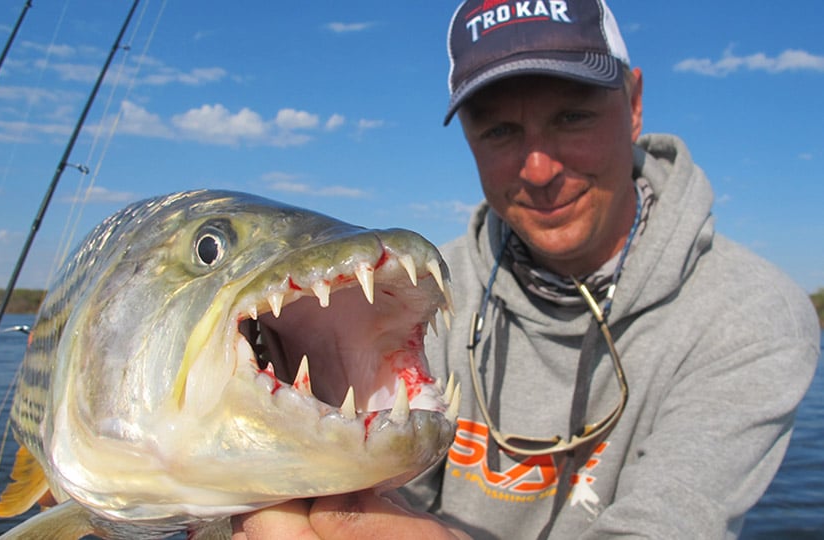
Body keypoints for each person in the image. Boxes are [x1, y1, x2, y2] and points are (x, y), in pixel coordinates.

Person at [233, 0, 821, 538]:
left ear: (634, 104)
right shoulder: (405, 297)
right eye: (500, 130)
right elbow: (372, 492)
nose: (538, 169)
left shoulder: (751, 314)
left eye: (572, 116)